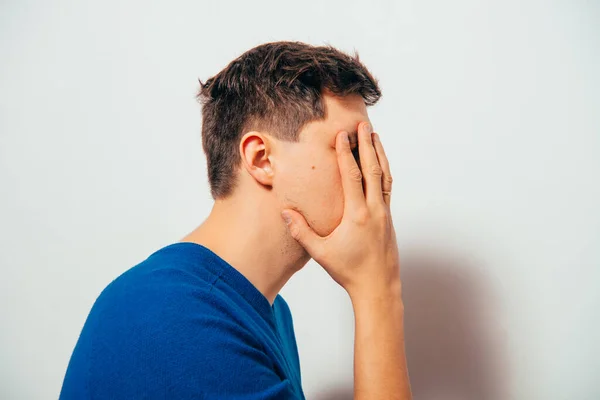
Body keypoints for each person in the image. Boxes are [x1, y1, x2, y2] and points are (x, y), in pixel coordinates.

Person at [59, 40, 412, 399]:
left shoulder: (263, 309)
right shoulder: (180, 318)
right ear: (261, 159)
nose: (372, 173)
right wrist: (377, 292)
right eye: (350, 148)